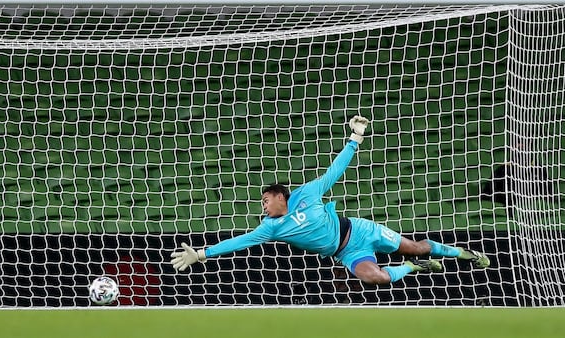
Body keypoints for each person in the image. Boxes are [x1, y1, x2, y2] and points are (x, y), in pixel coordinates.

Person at [170, 115, 490, 285]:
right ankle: (411, 267)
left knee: (418, 245)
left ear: (282, 196)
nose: (264, 206)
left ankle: (464, 253)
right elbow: (241, 241)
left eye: (267, 200)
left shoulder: (307, 193)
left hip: (361, 231)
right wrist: (201, 253)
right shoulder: (271, 228)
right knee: (374, 278)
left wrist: (354, 140)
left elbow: (333, 173)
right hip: (346, 251)